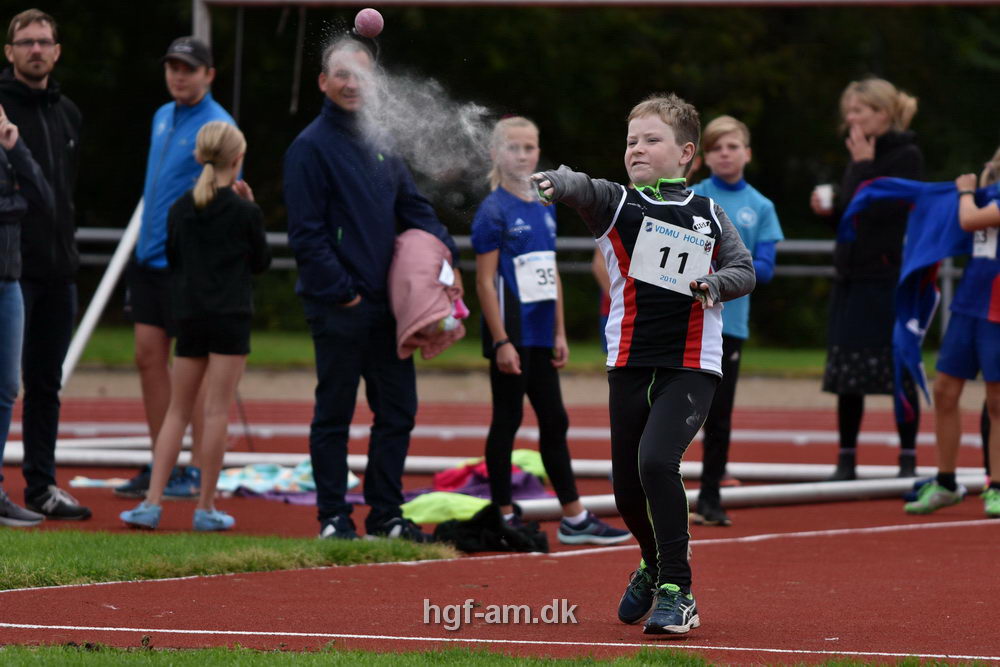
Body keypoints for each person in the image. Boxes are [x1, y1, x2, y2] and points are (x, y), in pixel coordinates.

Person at [533, 93, 755, 635]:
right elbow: (582, 185)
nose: (636, 149)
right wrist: (557, 184)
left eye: (650, 140)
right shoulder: (617, 204)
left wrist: (713, 283)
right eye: (631, 140)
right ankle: (652, 565)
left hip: (691, 364)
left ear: (685, 153)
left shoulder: (708, 213)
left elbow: (744, 269)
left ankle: (678, 590)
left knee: (657, 462)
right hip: (629, 361)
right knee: (627, 488)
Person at [284, 36, 461, 541]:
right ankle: (334, 518)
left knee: (397, 411)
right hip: (341, 307)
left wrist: (443, 254)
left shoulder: (381, 140)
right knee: (334, 413)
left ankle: (385, 515)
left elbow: (415, 208)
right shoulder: (309, 148)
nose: (351, 83)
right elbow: (307, 235)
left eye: (360, 74)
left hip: (391, 310)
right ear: (323, 81)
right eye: (340, 73)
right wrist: (345, 293)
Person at [472, 116, 629, 546]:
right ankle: (504, 512)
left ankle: (574, 518)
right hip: (511, 334)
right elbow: (485, 282)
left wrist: (559, 331)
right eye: (513, 148)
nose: (522, 156)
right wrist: (501, 339)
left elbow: (550, 271)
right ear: (495, 154)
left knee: (555, 420)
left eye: (529, 148)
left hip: (541, 333)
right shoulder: (493, 211)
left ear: (539, 151)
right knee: (507, 420)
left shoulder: (544, 204)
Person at [120, 122, 270, 531]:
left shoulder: (180, 208)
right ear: (237, 160)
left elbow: (172, 256)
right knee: (216, 410)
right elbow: (260, 263)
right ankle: (205, 507)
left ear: (198, 156)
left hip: (189, 316)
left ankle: (152, 503)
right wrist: (251, 206)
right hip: (230, 318)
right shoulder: (245, 211)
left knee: (177, 411)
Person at [116, 36, 237, 501]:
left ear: (209, 73)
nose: (178, 76)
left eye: (188, 68)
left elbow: (227, 191)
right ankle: (161, 462)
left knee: (194, 371)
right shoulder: (162, 116)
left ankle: (197, 469)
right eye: (172, 67)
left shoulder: (219, 125)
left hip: (187, 267)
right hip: (148, 259)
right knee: (148, 356)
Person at [810, 77, 923, 480]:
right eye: (848, 113)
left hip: (886, 278)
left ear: (882, 113)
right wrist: (826, 211)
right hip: (851, 277)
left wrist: (860, 166)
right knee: (848, 373)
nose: (851, 120)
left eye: (858, 111)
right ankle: (846, 460)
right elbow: (849, 219)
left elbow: (878, 212)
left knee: (899, 366)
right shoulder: (860, 153)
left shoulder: (905, 155)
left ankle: (908, 458)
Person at [0, 9, 89, 520]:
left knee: (45, 383)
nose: (36, 49)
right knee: (1, 383)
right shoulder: (0, 110)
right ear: (9, 51)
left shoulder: (69, 114)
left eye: (44, 41)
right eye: (26, 41)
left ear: (57, 51)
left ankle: (41, 485)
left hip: (59, 269)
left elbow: (64, 194)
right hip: (10, 269)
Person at [689, 115, 784, 526]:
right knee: (670, 408)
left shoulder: (761, 207)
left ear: (747, 152)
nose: (724, 154)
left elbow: (765, 266)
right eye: (715, 148)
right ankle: (652, 490)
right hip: (686, 319)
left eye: (732, 146)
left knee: (719, 414)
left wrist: (725, 270)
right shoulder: (692, 196)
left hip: (729, 327)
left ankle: (710, 496)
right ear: (703, 156)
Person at [904, 152, 1000, 518]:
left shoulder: (976, 200)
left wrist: (964, 192)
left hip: (997, 310)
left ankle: (997, 486)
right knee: (945, 390)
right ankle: (945, 482)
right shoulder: (987, 194)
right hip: (969, 305)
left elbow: (970, 220)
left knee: (996, 400)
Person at [0, 105, 52, 526]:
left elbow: (42, 197)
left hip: (9, 279)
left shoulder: (8, 144)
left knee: (6, 386)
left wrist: (14, 147)